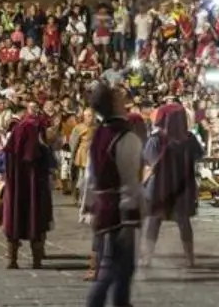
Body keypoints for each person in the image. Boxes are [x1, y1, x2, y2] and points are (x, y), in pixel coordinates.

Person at [83, 83, 143, 307]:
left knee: (119, 266)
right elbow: (130, 182)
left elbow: (90, 177)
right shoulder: (126, 138)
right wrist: (130, 217)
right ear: (114, 105)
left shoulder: (99, 135)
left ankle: (121, 302)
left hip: (103, 206)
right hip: (120, 211)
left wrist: (90, 206)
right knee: (114, 267)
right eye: (119, 97)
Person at [141, 103, 203, 268]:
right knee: (167, 221)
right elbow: (199, 155)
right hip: (177, 185)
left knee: (163, 221)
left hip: (165, 186)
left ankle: (151, 257)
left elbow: (150, 160)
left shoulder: (159, 139)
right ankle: (187, 258)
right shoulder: (186, 140)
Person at [0, 103, 53, 270]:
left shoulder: (16, 136)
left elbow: (6, 161)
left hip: (16, 187)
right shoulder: (38, 137)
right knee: (36, 217)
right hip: (36, 187)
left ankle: (12, 260)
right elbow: (48, 162)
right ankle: (36, 260)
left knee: (14, 216)